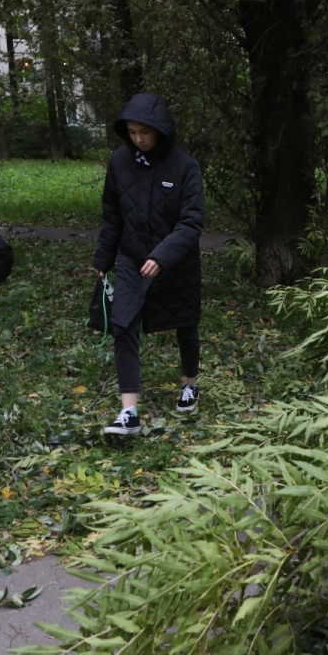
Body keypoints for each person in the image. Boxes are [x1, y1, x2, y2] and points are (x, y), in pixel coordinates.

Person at [93, 93, 206, 436]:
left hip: (176, 262)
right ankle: (129, 412)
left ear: (160, 130)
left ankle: (190, 384)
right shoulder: (119, 163)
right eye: (132, 132)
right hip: (130, 257)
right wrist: (104, 257)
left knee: (185, 321)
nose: (138, 139)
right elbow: (112, 215)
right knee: (123, 324)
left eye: (145, 132)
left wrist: (162, 255)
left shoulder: (185, 167)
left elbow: (192, 222)